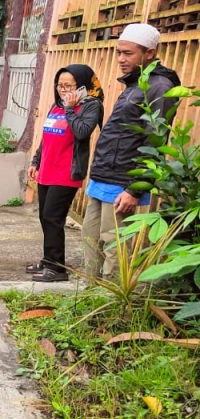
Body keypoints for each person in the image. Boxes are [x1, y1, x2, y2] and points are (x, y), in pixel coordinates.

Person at [82, 23, 180, 279]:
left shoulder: (159, 87)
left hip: (122, 183)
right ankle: (86, 299)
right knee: (91, 241)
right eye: (119, 53)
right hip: (103, 176)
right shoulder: (135, 85)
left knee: (115, 248)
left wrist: (135, 189)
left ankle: (111, 308)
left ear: (149, 53)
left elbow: (156, 141)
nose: (121, 59)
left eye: (128, 53)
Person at [26, 65, 104, 282]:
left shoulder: (90, 106)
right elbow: (47, 135)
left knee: (53, 217)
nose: (62, 90)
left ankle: (57, 269)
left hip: (66, 173)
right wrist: (36, 160)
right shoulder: (56, 105)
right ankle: (49, 260)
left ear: (81, 86)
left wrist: (70, 108)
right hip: (47, 170)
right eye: (59, 85)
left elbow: (82, 132)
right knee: (45, 217)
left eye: (68, 85)